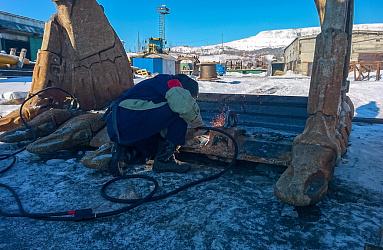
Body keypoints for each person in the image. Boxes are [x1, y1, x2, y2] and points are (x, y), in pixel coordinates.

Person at [105, 74, 204, 176]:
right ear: (185, 90)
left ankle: (124, 154)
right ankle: (164, 161)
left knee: (149, 150)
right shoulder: (174, 84)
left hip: (117, 127)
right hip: (128, 118)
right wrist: (198, 125)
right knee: (178, 112)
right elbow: (183, 106)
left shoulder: (158, 85)